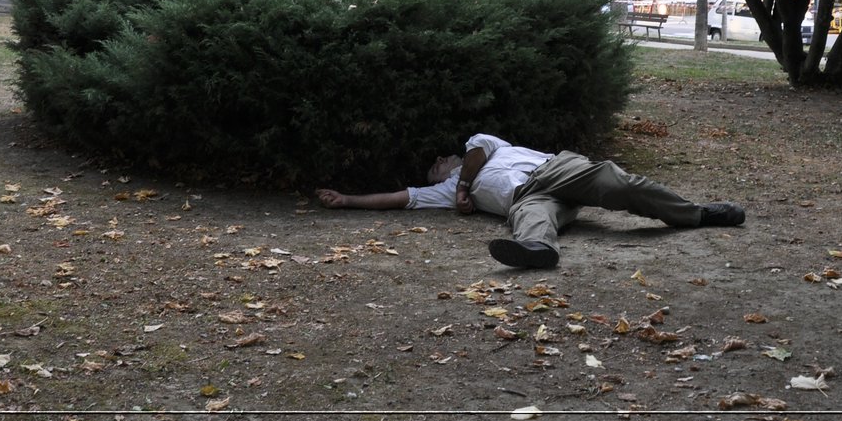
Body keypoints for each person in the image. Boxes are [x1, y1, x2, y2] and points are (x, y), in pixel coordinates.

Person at [316, 133, 744, 269]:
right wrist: (347, 200)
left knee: (616, 182)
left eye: (442, 159)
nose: (439, 164)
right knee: (530, 219)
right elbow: (397, 198)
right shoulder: (441, 192)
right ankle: (540, 251)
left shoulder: (481, 148)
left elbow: (476, 150)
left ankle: (698, 213)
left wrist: (464, 185)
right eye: (435, 167)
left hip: (552, 170)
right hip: (528, 197)